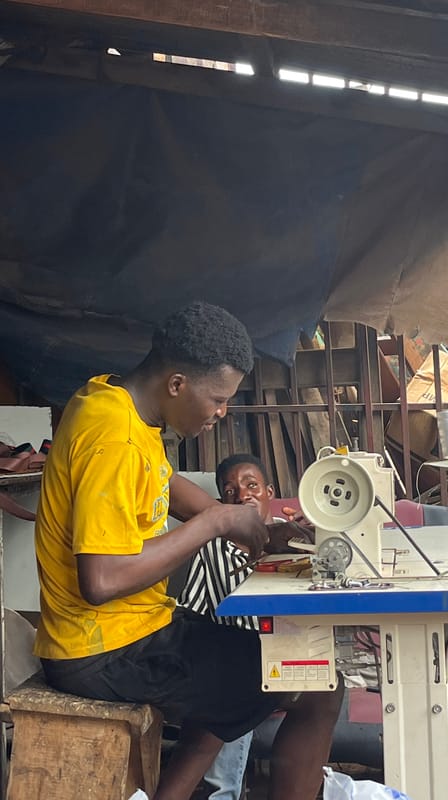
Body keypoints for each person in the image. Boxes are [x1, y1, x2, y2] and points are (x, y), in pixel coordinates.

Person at [33, 300, 343, 800]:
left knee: (245, 664)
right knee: (316, 684)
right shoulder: (113, 439)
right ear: (177, 384)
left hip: (129, 632)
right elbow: (101, 581)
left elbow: (164, 483)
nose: (222, 413)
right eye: (218, 399)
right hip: (102, 651)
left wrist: (254, 528)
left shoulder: (113, 401)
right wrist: (217, 520)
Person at [178, 453, 287, 800]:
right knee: (239, 678)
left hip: (249, 653)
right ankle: (222, 793)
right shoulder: (216, 546)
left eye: (251, 485)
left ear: (270, 492)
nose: (243, 496)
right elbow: (249, 619)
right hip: (202, 656)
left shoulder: (279, 541)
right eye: (230, 491)